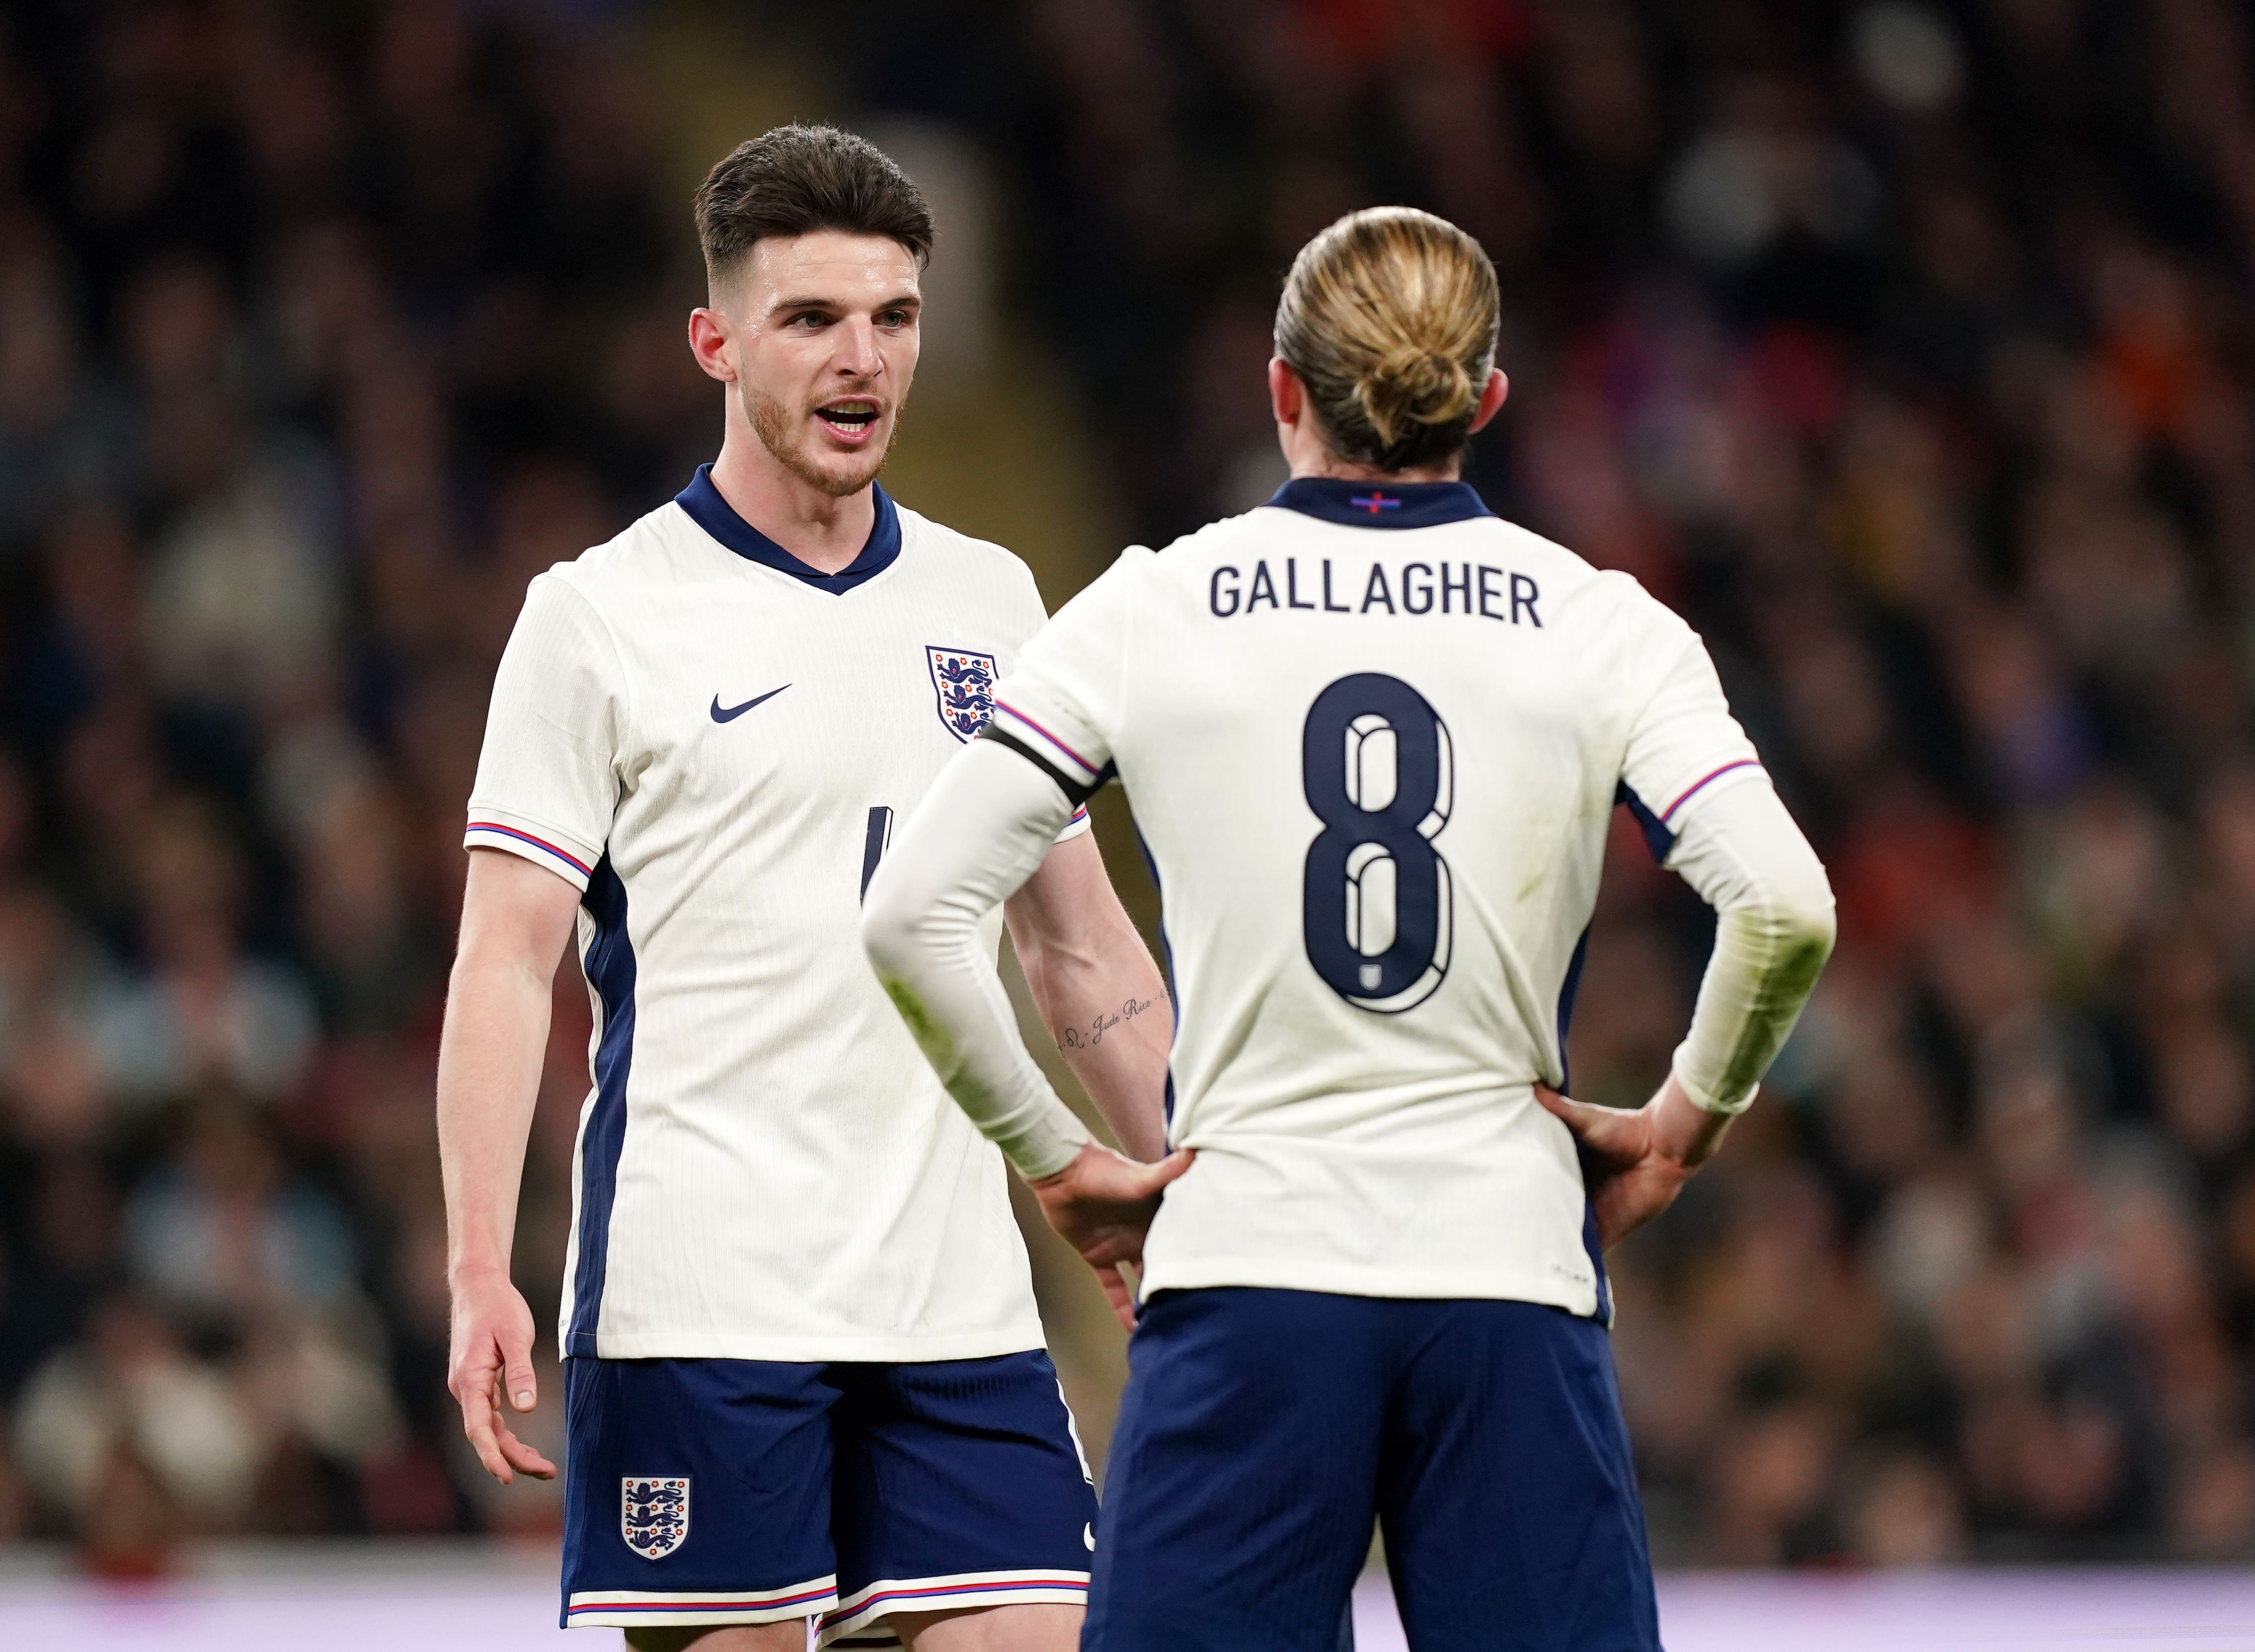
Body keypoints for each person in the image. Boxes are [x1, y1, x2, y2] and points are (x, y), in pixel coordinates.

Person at [861, 206, 1837, 1652]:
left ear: (1279, 390)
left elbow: (908, 915)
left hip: (1244, 1270)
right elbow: (1785, 904)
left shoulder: (1149, 607)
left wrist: (1058, 1158)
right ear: (1487, 400)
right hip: (1503, 1274)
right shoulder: (1603, 624)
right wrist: (1687, 1116)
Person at [437, 126, 1173, 1651]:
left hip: (954, 1309)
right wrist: (476, 1266)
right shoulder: (598, 617)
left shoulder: (989, 599)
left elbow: (1076, 940)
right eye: (812, 320)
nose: (863, 361)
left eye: (894, 318)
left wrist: (1191, 1186)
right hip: (703, 1304)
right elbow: (506, 960)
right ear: (714, 340)